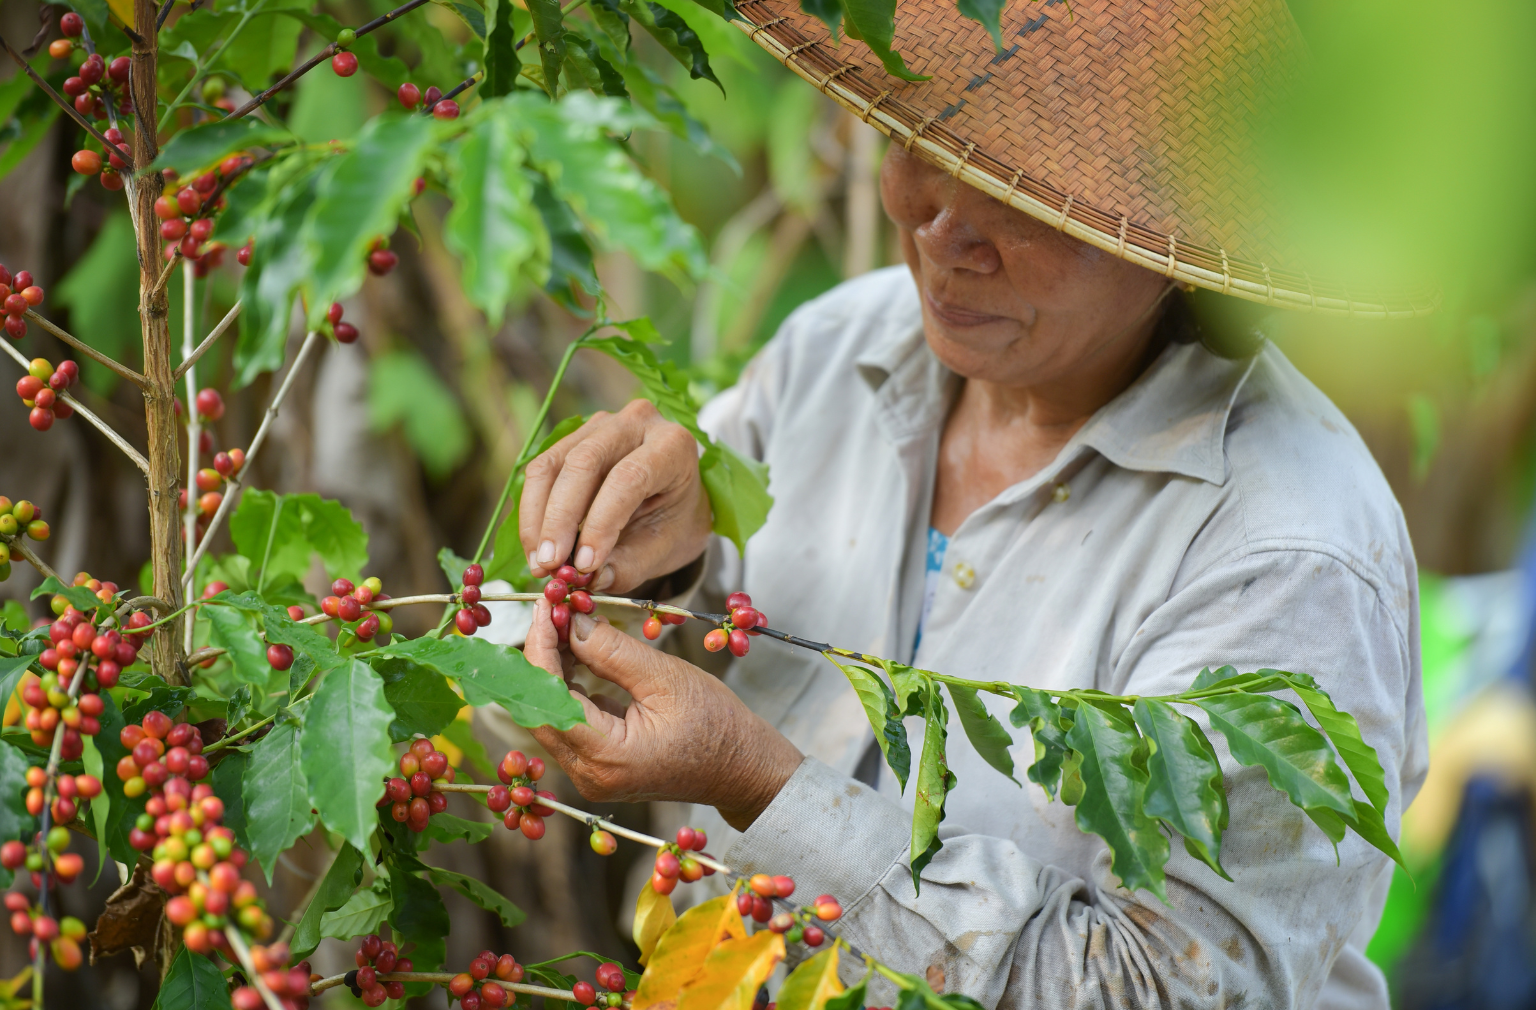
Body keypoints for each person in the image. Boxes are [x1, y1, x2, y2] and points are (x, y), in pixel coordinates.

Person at [514, 0, 1428, 1006]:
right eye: (923, 145)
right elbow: (694, 650)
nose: (946, 231)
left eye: (1026, 200)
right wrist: (664, 561)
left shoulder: (1285, 552)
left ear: (1171, 243)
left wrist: (756, 779)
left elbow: (1158, 988)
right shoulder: (838, 353)